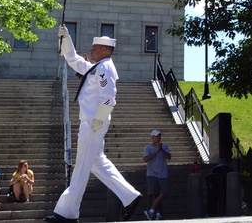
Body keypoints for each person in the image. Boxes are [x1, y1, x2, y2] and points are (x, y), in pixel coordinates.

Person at [45, 27, 142, 223]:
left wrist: (98, 120)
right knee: (97, 163)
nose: (91, 51)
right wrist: (66, 38)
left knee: (81, 167)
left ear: (106, 50)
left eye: (95, 48)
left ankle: (67, 213)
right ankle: (130, 196)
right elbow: (73, 59)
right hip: (92, 122)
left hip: (92, 123)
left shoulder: (105, 68)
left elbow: (109, 99)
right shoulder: (96, 67)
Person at [143, 129, 172, 220]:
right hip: (152, 173)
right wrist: (156, 151)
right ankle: (157, 214)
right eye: (156, 136)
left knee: (164, 192)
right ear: (152, 137)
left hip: (163, 173)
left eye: (159, 135)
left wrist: (161, 150)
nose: (158, 137)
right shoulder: (148, 148)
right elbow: (145, 159)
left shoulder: (165, 146)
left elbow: (169, 157)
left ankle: (151, 210)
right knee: (153, 193)